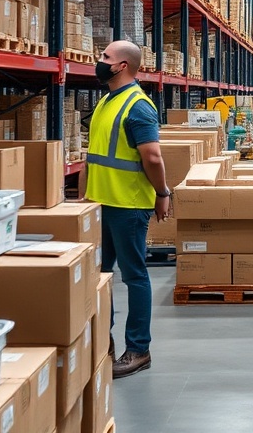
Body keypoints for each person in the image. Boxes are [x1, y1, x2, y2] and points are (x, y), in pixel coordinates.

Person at [79, 40, 171, 378]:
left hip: (129, 205)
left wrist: (162, 193)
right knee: (100, 277)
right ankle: (105, 342)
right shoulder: (105, 101)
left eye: (105, 57)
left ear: (123, 67)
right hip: (101, 203)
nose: (99, 61)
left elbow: (153, 156)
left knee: (134, 276)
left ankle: (138, 349)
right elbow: (95, 154)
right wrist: (84, 196)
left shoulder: (138, 106)